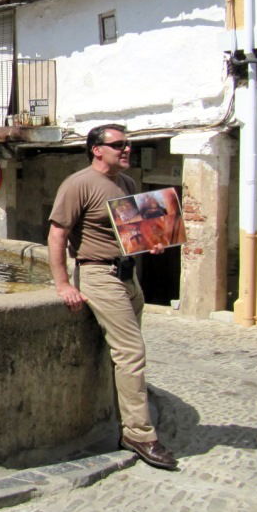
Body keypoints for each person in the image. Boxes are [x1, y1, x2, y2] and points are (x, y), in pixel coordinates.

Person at [47, 124, 178, 470]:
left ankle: (122, 415)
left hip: (127, 275)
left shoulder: (128, 184)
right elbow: (57, 235)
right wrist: (63, 284)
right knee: (131, 352)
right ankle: (138, 433)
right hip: (97, 275)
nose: (126, 149)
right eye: (118, 144)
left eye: (128, 144)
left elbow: (133, 233)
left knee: (123, 354)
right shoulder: (78, 185)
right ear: (96, 150)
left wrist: (153, 241)